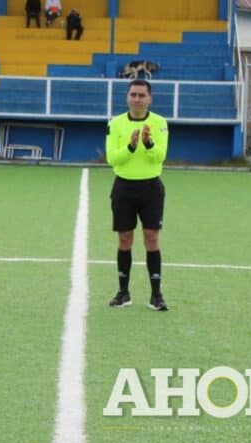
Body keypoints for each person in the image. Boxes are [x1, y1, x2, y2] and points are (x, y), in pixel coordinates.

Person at [105, 79, 170, 311]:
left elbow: (160, 156)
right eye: (133, 94)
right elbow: (112, 158)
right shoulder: (116, 124)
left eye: (142, 95)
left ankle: (156, 294)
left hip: (151, 187)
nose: (137, 99)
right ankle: (123, 292)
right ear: (127, 97)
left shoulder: (160, 123)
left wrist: (148, 143)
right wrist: (131, 147)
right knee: (125, 239)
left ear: (149, 98)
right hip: (124, 187)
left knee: (151, 237)